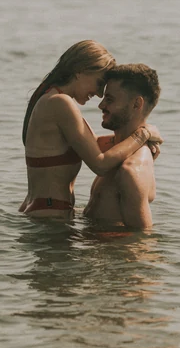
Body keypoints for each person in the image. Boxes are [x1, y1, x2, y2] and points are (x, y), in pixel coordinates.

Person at [20, 41, 161, 221]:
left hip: (44, 211)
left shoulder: (52, 98)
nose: (100, 94)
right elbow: (100, 165)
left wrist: (143, 144)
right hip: (50, 218)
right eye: (99, 82)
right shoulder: (60, 103)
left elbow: (95, 145)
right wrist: (143, 135)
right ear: (80, 71)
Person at [83, 64, 161, 232]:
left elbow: (142, 241)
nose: (101, 105)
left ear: (136, 104)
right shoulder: (117, 150)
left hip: (107, 255)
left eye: (110, 99)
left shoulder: (130, 171)